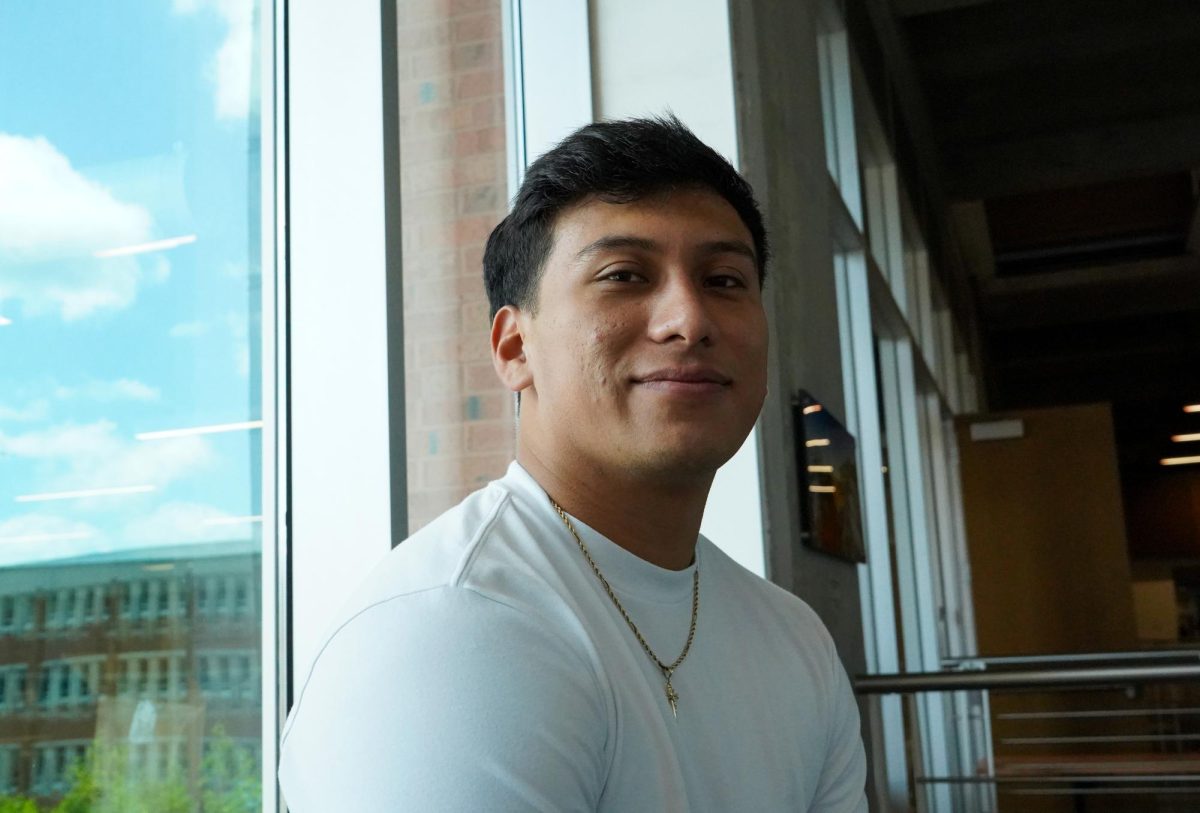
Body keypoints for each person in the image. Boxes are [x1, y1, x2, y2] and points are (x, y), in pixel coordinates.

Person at [278, 115, 868, 812]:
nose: (689, 318)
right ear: (514, 348)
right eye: (623, 275)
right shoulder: (449, 635)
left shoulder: (793, 637)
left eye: (725, 280)